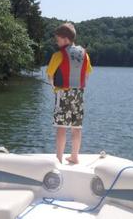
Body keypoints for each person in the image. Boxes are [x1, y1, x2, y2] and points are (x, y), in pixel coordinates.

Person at [46, 23, 92, 164]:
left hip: (63, 94)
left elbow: (49, 74)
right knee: (76, 127)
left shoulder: (58, 55)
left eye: (58, 39)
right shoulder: (85, 54)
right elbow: (87, 74)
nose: (56, 42)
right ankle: (74, 157)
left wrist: (53, 86)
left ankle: (59, 159)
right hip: (79, 94)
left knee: (61, 127)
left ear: (65, 39)